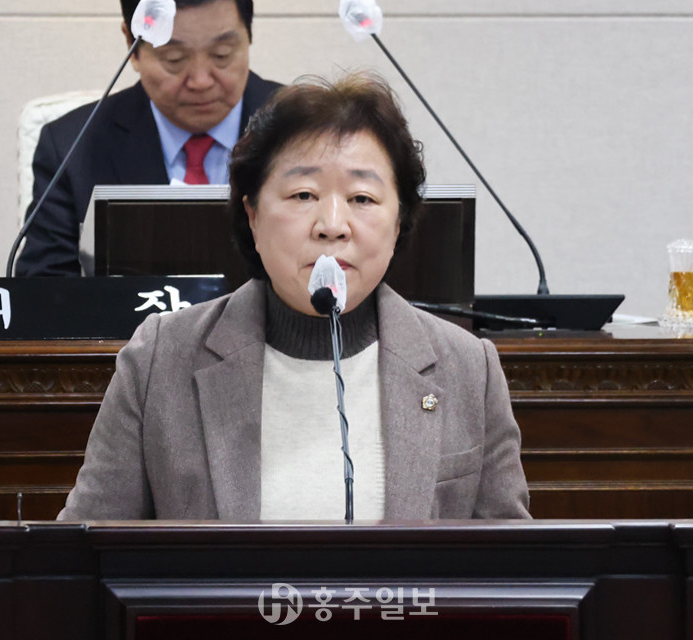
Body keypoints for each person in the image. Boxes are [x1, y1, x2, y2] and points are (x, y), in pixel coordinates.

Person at [59, 72, 530, 521]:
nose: (332, 225)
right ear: (253, 215)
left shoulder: (468, 369)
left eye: (362, 198)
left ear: (399, 220)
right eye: (303, 195)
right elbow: (81, 553)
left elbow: (511, 565)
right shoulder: (160, 360)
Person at [15, 0, 282, 277]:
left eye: (221, 55)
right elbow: (44, 288)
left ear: (248, 37)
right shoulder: (73, 146)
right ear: (132, 46)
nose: (201, 81)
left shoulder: (303, 131)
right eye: (174, 59)